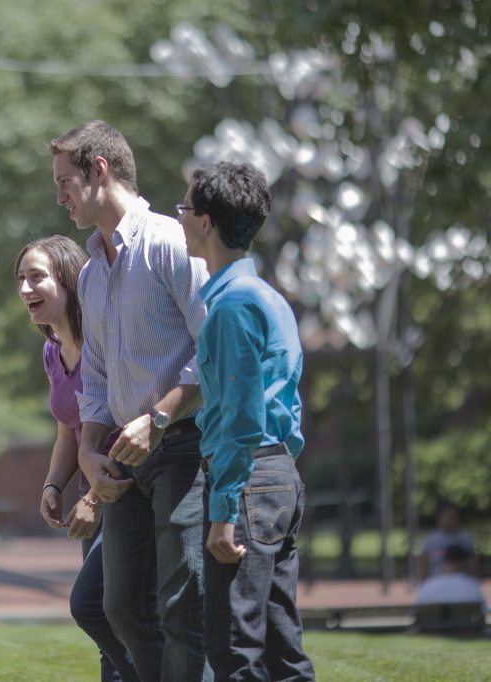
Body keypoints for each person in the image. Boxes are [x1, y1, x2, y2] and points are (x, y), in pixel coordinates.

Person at [50, 120, 211, 681]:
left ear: (100, 170)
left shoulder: (170, 241)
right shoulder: (93, 273)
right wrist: (90, 454)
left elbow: (211, 345)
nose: (61, 195)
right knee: (115, 607)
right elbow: (93, 376)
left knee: (182, 608)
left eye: (66, 182)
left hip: (182, 446)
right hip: (121, 458)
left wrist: (160, 416)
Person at [180, 161, 316, 679]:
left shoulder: (232, 307)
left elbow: (239, 417)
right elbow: (288, 407)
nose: (181, 218)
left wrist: (224, 507)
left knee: (234, 648)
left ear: (207, 222)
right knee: (283, 646)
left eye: (185, 209)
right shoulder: (271, 299)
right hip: (278, 475)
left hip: (247, 479)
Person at [15, 235, 139, 682]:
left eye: (37, 277)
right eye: (21, 279)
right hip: (91, 496)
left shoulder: (105, 344)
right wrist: (53, 484)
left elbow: (128, 427)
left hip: (126, 491)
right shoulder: (53, 350)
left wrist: (96, 499)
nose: (26, 288)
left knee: (92, 606)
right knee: (110, 627)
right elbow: (70, 427)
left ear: (68, 280)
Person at [420, 500, 480, 580]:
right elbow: (424, 564)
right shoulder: (431, 539)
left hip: (460, 583)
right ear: (438, 518)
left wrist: (476, 582)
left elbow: (473, 564)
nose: (451, 522)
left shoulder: (464, 539)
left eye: (454, 518)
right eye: (447, 518)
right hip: (436, 583)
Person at [415, 543, 486, 609]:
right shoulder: (472, 586)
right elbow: (481, 611)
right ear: (463, 562)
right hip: (463, 622)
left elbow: (418, 612)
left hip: (434, 622)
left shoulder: (427, 585)